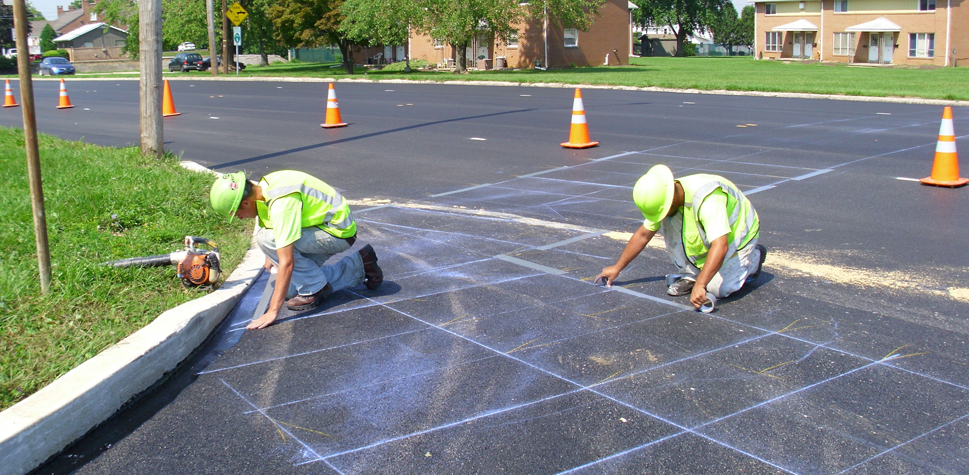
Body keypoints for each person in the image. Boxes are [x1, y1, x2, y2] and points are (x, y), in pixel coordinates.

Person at [209, 170, 383, 329]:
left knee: (267, 242)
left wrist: (272, 311)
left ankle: (315, 287)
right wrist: (270, 254)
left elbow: (287, 262)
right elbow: (268, 222)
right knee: (291, 291)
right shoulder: (263, 187)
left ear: (246, 203)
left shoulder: (282, 203)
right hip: (318, 228)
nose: (239, 218)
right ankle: (361, 263)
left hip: (337, 232)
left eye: (236, 214)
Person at [595, 164, 766, 310]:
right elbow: (643, 234)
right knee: (668, 222)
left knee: (719, 289)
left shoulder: (708, 200)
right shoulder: (665, 195)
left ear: (671, 199)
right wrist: (617, 267)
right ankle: (692, 273)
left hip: (738, 236)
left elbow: (720, 245)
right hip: (714, 231)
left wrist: (701, 285)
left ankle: (752, 260)